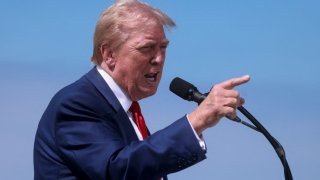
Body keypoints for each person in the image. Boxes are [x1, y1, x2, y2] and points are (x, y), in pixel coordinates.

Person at [33, 0, 250, 179]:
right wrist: (195, 122)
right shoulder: (77, 103)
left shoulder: (126, 110)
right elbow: (116, 170)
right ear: (109, 54)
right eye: (146, 48)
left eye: (163, 47)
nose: (158, 59)